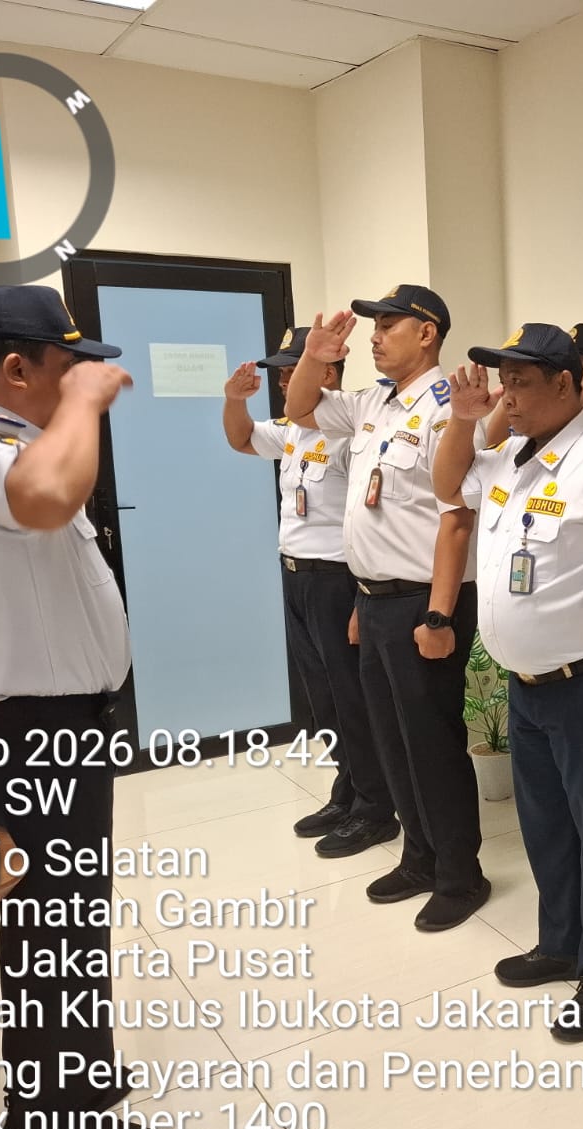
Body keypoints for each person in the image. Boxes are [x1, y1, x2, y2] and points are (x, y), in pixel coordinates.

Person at [0, 285, 160, 1129]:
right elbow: (52, 495)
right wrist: (89, 403)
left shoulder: (8, 444)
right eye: (68, 366)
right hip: (30, 734)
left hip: (49, 728)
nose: (81, 379)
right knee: (57, 933)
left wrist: (77, 404)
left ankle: (72, 1091)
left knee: (65, 928)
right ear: (17, 369)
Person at [433, 323, 583, 1040]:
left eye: (521, 383)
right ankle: (561, 940)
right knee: (547, 829)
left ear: (566, 384)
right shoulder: (510, 456)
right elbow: (447, 486)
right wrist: (464, 419)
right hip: (529, 684)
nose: (508, 396)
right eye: (503, 382)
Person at [282, 286, 489, 932]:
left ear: (427, 333)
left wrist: (439, 615)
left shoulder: (448, 408)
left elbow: (457, 518)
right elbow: (299, 408)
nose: (374, 336)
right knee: (392, 740)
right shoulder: (374, 402)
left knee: (432, 743)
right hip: (372, 600)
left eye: (388, 324)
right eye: (373, 325)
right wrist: (315, 357)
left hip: (424, 602)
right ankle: (419, 856)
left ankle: (460, 873)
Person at [221, 327, 397, 856]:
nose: (283, 383)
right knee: (322, 697)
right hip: (296, 575)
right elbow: (241, 438)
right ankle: (347, 789)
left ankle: (374, 808)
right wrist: (234, 400)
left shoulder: (349, 432)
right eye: (280, 375)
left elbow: (373, 517)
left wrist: (362, 595)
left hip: (336, 579)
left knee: (351, 697)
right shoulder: (294, 430)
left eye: (291, 372)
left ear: (327, 372)